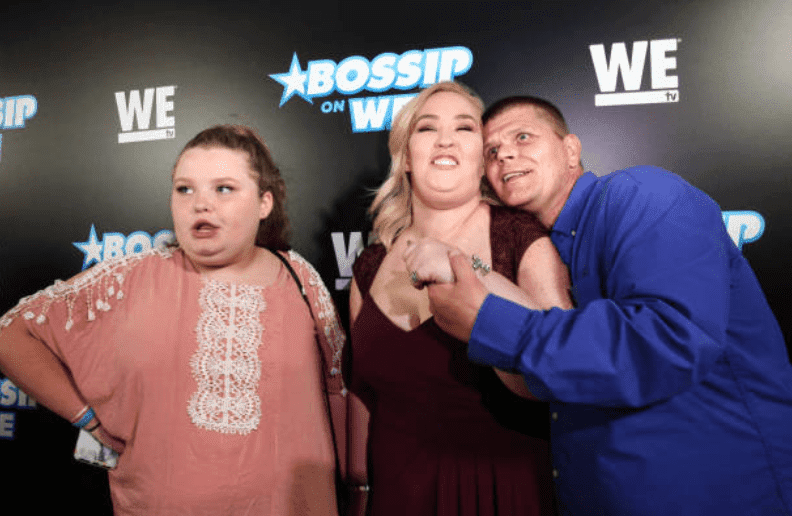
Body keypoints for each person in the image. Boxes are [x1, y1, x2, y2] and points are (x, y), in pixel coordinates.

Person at [410, 96, 792, 515]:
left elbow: (668, 339)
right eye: (492, 152)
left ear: (571, 149)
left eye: (523, 137)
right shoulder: (540, 249)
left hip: (718, 492)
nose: (506, 155)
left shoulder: (644, 195)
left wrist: (488, 322)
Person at [0, 125, 347, 515]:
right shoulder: (129, 279)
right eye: (185, 189)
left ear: (264, 203)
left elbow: (339, 388)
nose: (200, 204)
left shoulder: (300, 279)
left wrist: (359, 485)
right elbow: (11, 335)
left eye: (224, 189)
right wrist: (88, 420)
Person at [346, 82, 572, 516]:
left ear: (482, 159)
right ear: (406, 156)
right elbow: (362, 397)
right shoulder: (369, 266)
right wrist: (358, 492)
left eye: (464, 128)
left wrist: (467, 268)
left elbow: (562, 373)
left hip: (506, 492)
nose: (446, 139)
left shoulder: (521, 240)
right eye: (427, 128)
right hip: (397, 496)